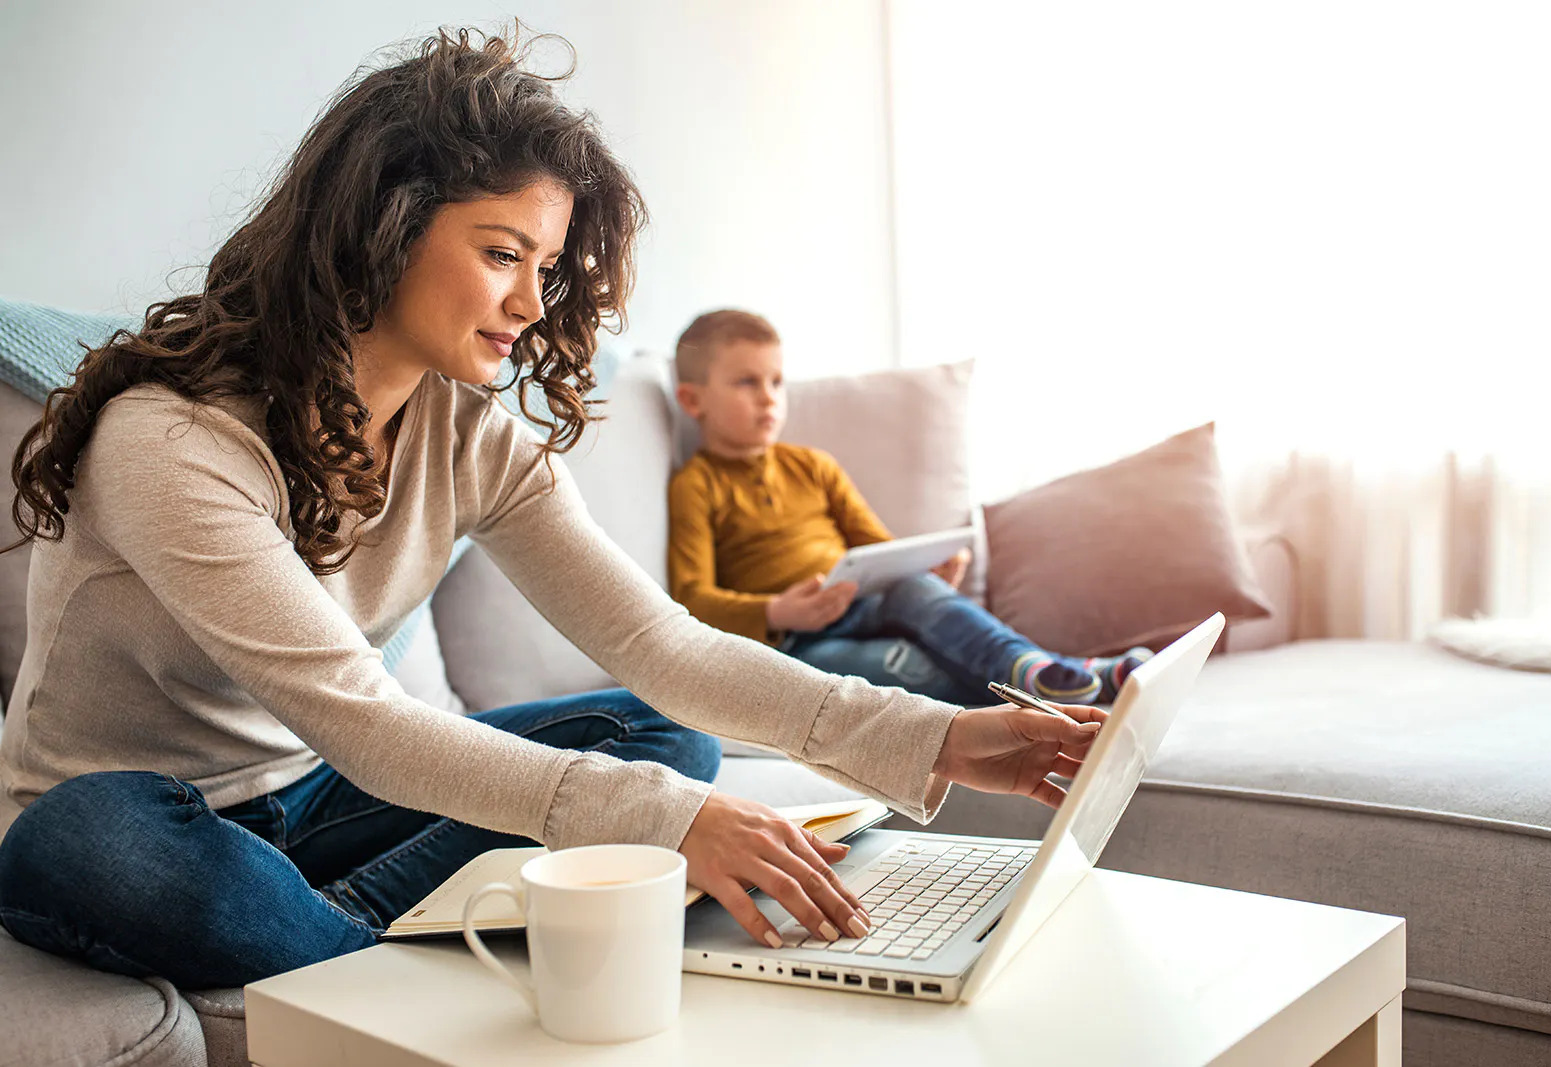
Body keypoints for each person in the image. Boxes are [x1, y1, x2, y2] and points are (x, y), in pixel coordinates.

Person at [0, 28, 1107, 991]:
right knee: (105, 846)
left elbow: (659, 644)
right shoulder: (172, 439)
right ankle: (379, 948)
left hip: (314, 803)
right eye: (500, 254)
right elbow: (363, 717)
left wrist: (945, 733)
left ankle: (350, 940)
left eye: (546, 263)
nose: (533, 303)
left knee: (654, 735)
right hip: (132, 816)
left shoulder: (469, 435)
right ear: (381, 229)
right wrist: (664, 823)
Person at [668, 309, 1152, 707]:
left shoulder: (812, 466)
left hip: (869, 598)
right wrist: (778, 612)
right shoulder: (695, 486)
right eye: (747, 383)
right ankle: (1068, 690)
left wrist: (927, 566)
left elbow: (877, 548)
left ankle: (1041, 670)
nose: (769, 398)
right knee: (902, 664)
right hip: (799, 643)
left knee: (920, 592)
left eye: (776, 381)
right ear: (693, 400)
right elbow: (690, 598)